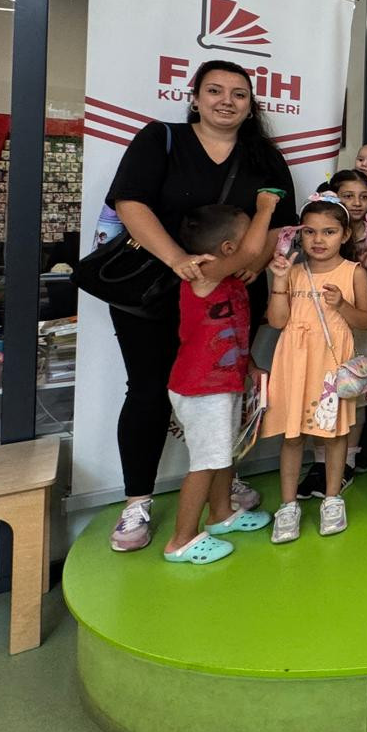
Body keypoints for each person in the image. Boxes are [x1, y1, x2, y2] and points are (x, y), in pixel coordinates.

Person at [103, 59, 297, 553]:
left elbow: (281, 222)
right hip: (153, 292)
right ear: (194, 98)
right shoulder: (161, 139)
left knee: (225, 391)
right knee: (148, 390)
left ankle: (221, 494)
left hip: (231, 298)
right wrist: (177, 259)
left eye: (238, 94)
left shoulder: (264, 156)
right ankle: (137, 500)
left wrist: (256, 261)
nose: (226, 101)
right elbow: (129, 202)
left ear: (251, 106)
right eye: (215, 90)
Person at [159, 196, 279, 563]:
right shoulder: (204, 274)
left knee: (223, 452)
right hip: (201, 389)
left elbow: (229, 333)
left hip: (225, 384)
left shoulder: (228, 282)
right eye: (245, 237)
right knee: (205, 463)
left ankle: (221, 513)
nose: (250, 245)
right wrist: (265, 209)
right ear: (228, 249)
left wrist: (250, 366)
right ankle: (181, 540)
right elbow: (252, 251)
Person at [262, 194, 367, 544]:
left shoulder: (353, 272)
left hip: (330, 365)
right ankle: (288, 505)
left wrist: (341, 305)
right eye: (309, 232)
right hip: (293, 363)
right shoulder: (292, 271)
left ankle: (332, 498)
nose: (318, 240)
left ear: (345, 234)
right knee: (292, 436)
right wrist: (279, 281)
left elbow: (365, 321)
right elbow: (277, 321)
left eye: (329, 232)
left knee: (334, 435)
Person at [293, 168, 367, 496]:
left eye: (364, 196)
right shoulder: (322, 238)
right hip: (320, 324)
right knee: (320, 391)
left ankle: (346, 461)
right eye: (348, 196)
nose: (357, 202)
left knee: (353, 390)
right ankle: (320, 464)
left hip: (360, 322)